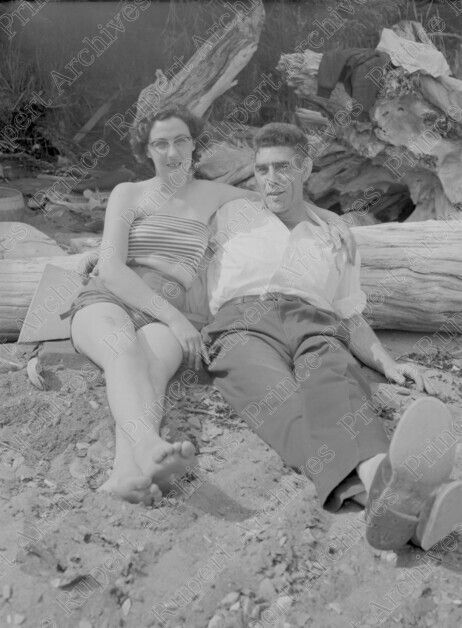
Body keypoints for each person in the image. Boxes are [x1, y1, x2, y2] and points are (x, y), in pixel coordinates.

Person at [202, 122, 462, 551]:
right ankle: (389, 487)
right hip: (243, 324)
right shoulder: (230, 214)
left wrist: (387, 362)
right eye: (261, 169)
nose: (270, 179)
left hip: (314, 322)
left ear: (306, 167)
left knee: (336, 382)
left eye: (282, 167)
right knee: (280, 402)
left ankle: (381, 491)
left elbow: (349, 316)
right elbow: (172, 212)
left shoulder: (334, 235)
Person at [68, 104, 257, 506]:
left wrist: (331, 221)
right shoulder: (129, 193)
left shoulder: (211, 194)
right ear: (146, 150)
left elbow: (279, 197)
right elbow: (112, 269)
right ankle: (148, 445)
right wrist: (176, 319)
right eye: (161, 144)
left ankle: (124, 475)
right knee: (123, 348)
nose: (172, 152)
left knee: (152, 372)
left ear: (194, 144)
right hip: (113, 296)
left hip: (168, 308)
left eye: (181, 141)